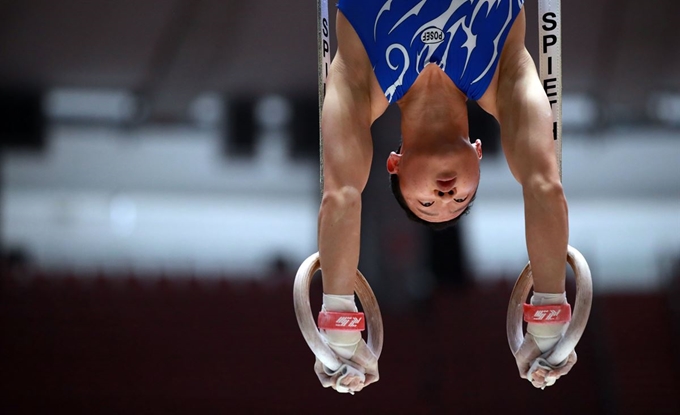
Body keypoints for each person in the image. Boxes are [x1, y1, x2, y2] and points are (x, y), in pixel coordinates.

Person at [315, 0, 576, 393]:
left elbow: (342, 195)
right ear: (479, 152)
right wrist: (548, 319)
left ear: (394, 165)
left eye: (426, 203)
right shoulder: (505, 77)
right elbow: (543, 186)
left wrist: (340, 330)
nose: (446, 196)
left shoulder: (361, 81)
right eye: (460, 201)